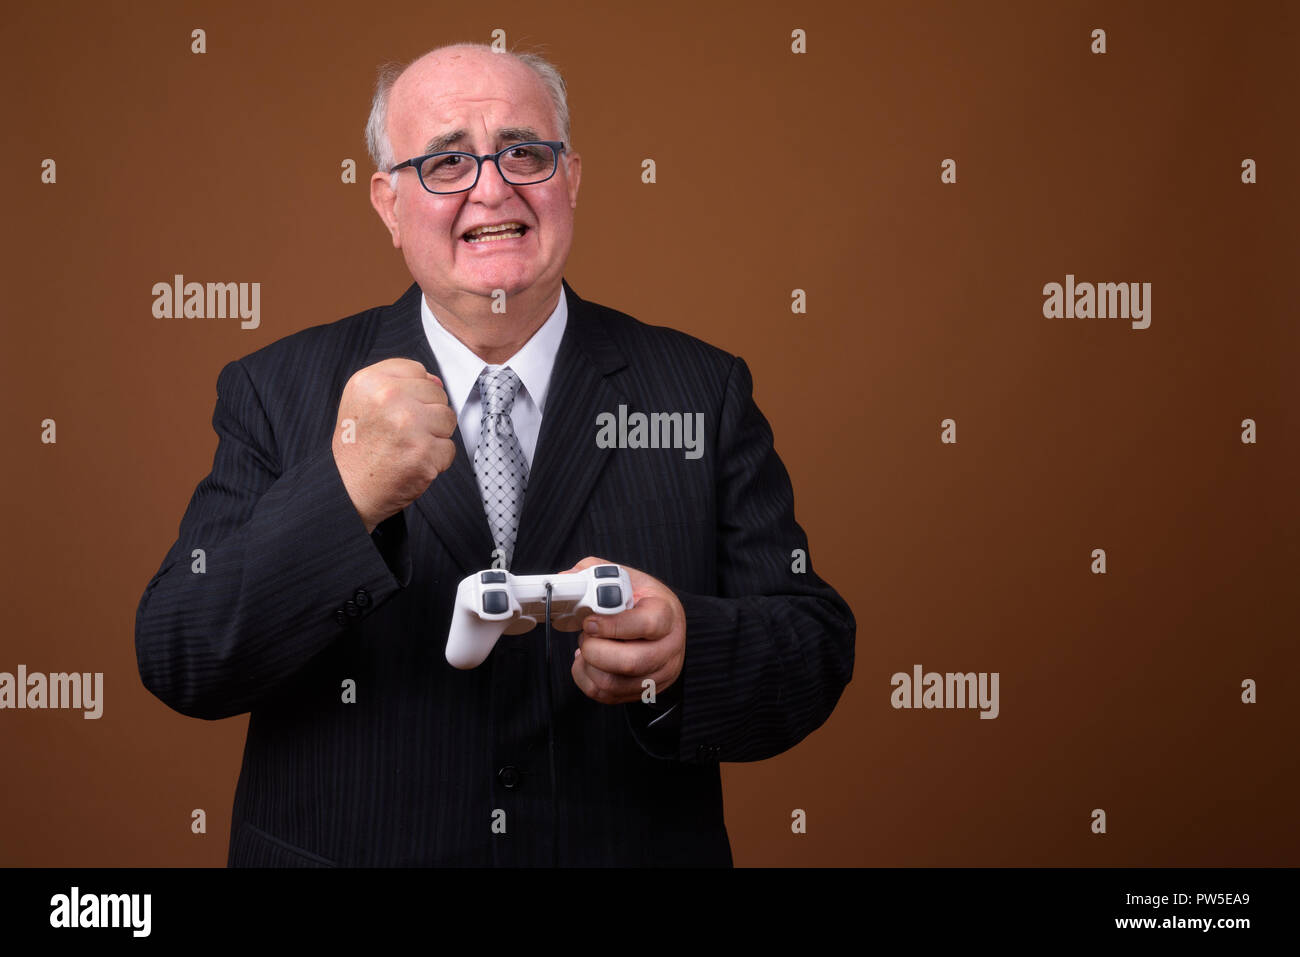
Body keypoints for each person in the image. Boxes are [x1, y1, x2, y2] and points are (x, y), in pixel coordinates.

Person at [135, 42, 855, 867]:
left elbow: (814, 643)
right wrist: (345, 491)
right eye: (445, 161)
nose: (491, 185)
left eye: (524, 152)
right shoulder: (276, 388)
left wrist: (688, 651)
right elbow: (180, 652)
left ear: (571, 179)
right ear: (389, 202)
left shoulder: (702, 388)